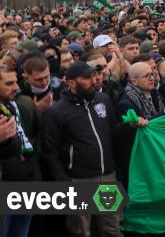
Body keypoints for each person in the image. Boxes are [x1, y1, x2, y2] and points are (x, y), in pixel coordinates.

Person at [41, 61, 140, 237]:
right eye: (87, 78)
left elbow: (113, 131)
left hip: (108, 177)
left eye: (94, 76)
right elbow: (50, 152)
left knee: (113, 227)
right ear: (70, 82)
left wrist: (129, 126)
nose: (94, 80)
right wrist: (64, 183)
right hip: (78, 180)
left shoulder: (103, 100)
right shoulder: (57, 112)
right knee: (81, 231)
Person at [0, 57, 42, 237]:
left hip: (27, 184)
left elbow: (35, 138)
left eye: (16, 82)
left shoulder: (22, 107)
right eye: (9, 83)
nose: (16, 87)